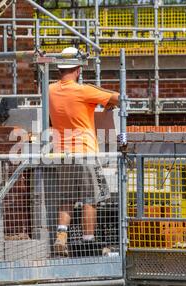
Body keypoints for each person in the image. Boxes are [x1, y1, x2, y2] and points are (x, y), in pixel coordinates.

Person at [49, 47, 120, 256]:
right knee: (91, 199)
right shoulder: (83, 90)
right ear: (78, 69)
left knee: (67, 198)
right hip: (85, 152)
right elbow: (117, 97)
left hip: (62, 153)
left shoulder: (51, 90)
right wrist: (103, 99)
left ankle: (61, 236)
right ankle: (88, 242)